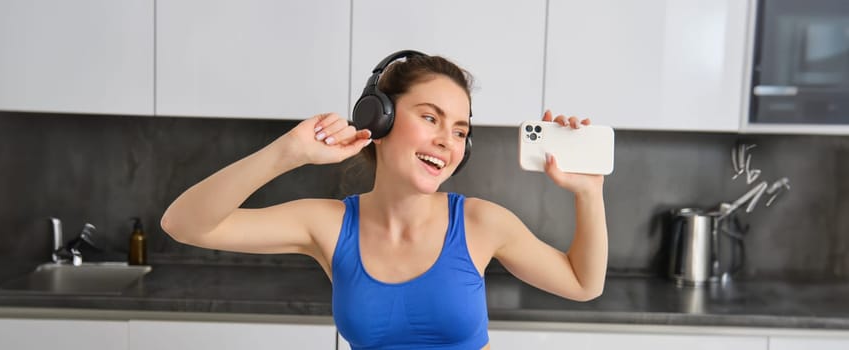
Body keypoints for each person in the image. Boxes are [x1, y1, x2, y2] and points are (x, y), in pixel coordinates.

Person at [161, 51, 608, 350]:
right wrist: (287, 153)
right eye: (430, 117)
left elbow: (583, 284)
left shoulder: (480, 223)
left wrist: (588, 192)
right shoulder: (330, 226)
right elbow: (185, 224)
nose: (446, 141)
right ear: (379, 119)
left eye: (459, 131)